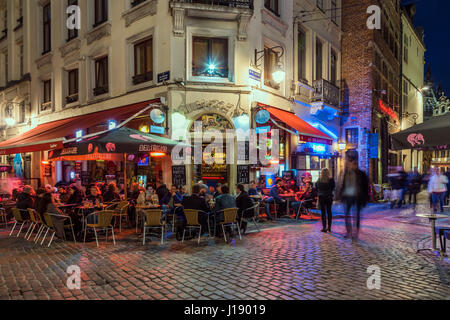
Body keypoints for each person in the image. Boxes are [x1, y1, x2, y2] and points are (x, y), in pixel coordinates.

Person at [338, 150, 369, 240]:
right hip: (347, 197)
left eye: (352, 163)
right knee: (347, 216)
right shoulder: (345, 174)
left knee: (357, 216)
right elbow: (343, 185)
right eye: (348, 162)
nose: (350, 164)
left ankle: (355, 233)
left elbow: (365, 186)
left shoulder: (361, 174)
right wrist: (340, 195)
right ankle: (349, 232)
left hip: (357, 197)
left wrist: (365, 199)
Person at [316, 168, 335, 233]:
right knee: (329, 211)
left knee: (323, 212)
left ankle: (324, 227)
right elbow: (333, 187)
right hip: (329, 196)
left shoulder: (319, 179)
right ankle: (329, 227)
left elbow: (316, 187)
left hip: (322, 197)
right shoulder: (331, 180)